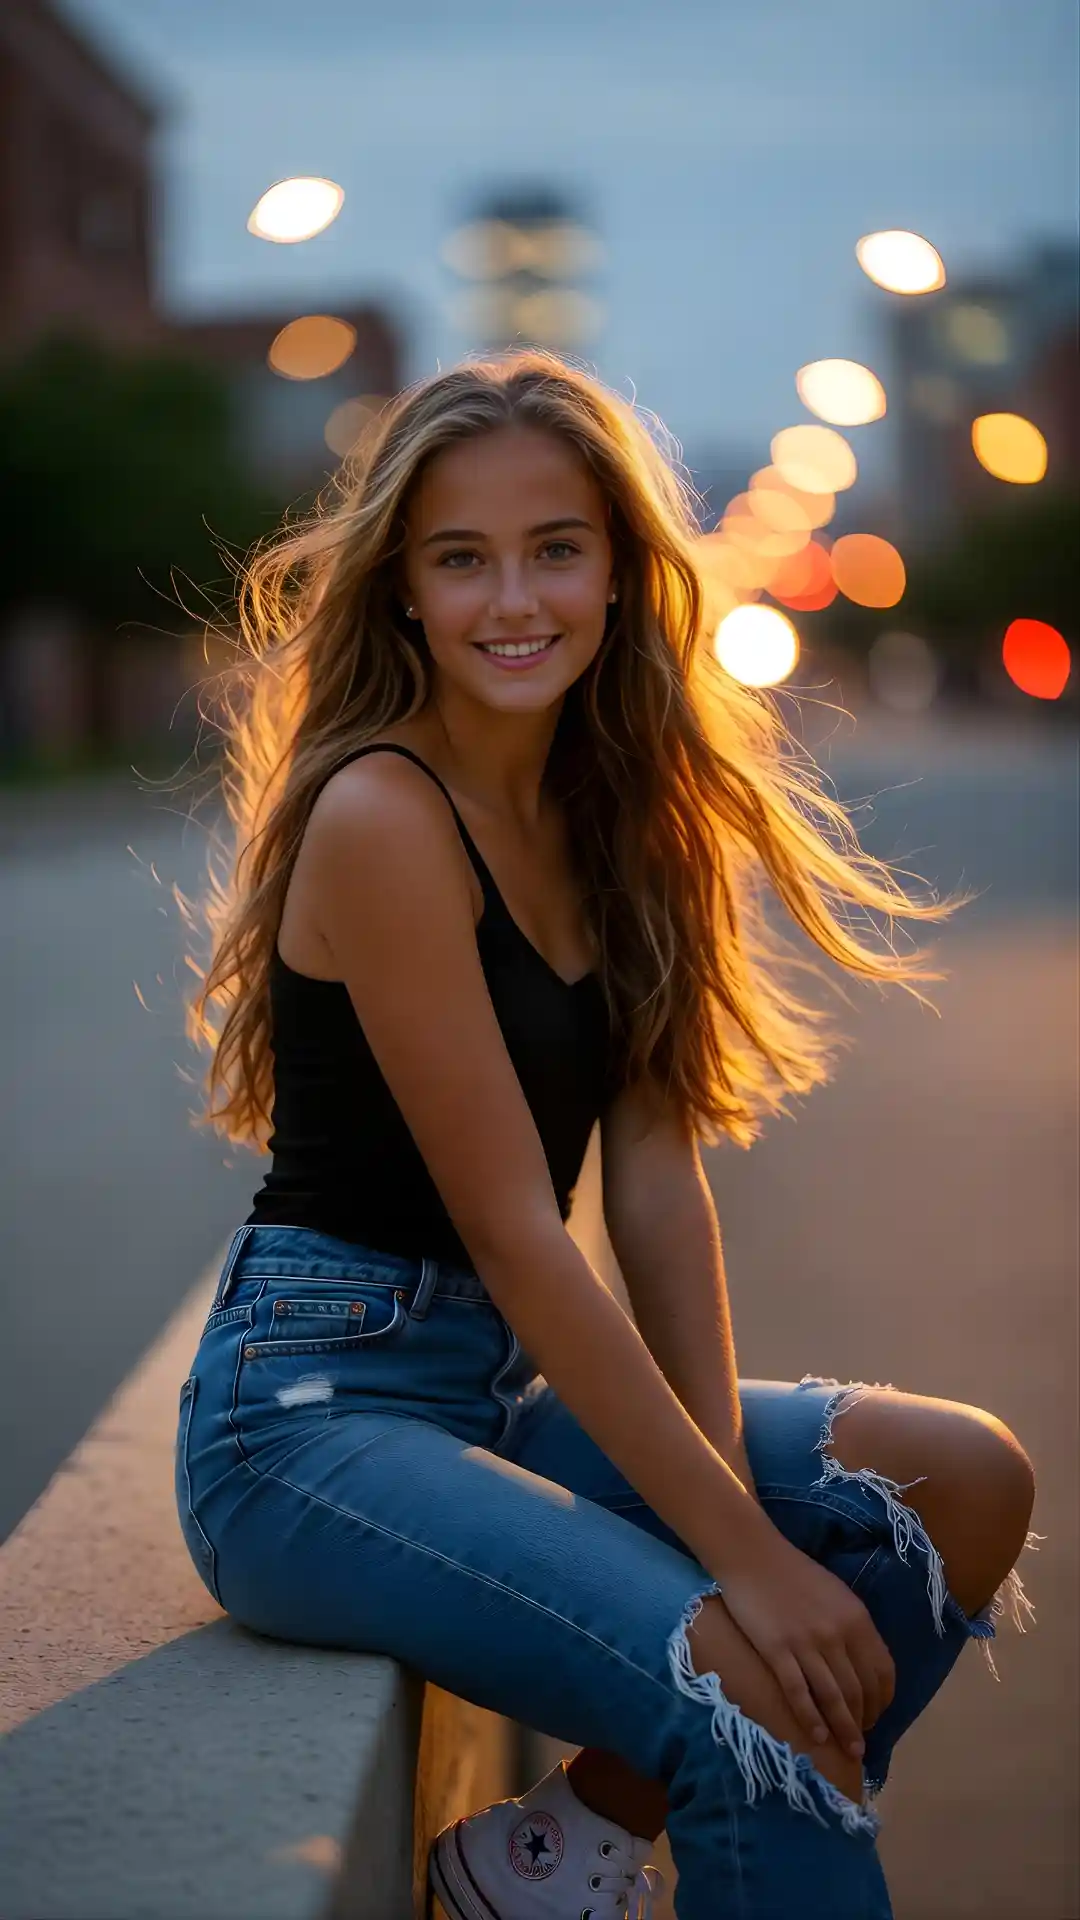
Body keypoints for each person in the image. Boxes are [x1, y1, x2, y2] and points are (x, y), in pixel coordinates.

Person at [176, 350, 1037, 1920]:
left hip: (488, 1399)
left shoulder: (629, 805)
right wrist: (743, 1564)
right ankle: (635, 1824)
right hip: (306, 1422)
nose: (515, 597)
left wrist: (726, 1501)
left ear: (626, 577)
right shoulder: (384, 813)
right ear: (407, 594)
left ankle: (563, 1847)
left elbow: (653, 1182)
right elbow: (518, 1229)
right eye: (462, 557)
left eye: (556, 547)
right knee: (759, 1688)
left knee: (963, 1484)